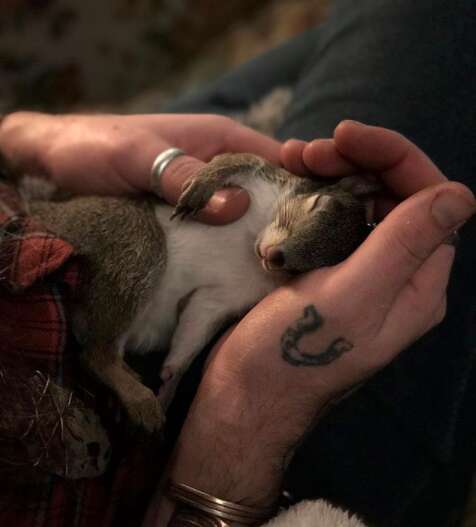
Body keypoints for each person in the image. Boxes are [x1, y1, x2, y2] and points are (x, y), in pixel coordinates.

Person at [0, 1, 475, 526]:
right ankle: (108, 358)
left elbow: (215, 298)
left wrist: (29, 137)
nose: (273, 255)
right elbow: (237, 171)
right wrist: (243, 414)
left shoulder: (279, 247)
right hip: (171, 447)